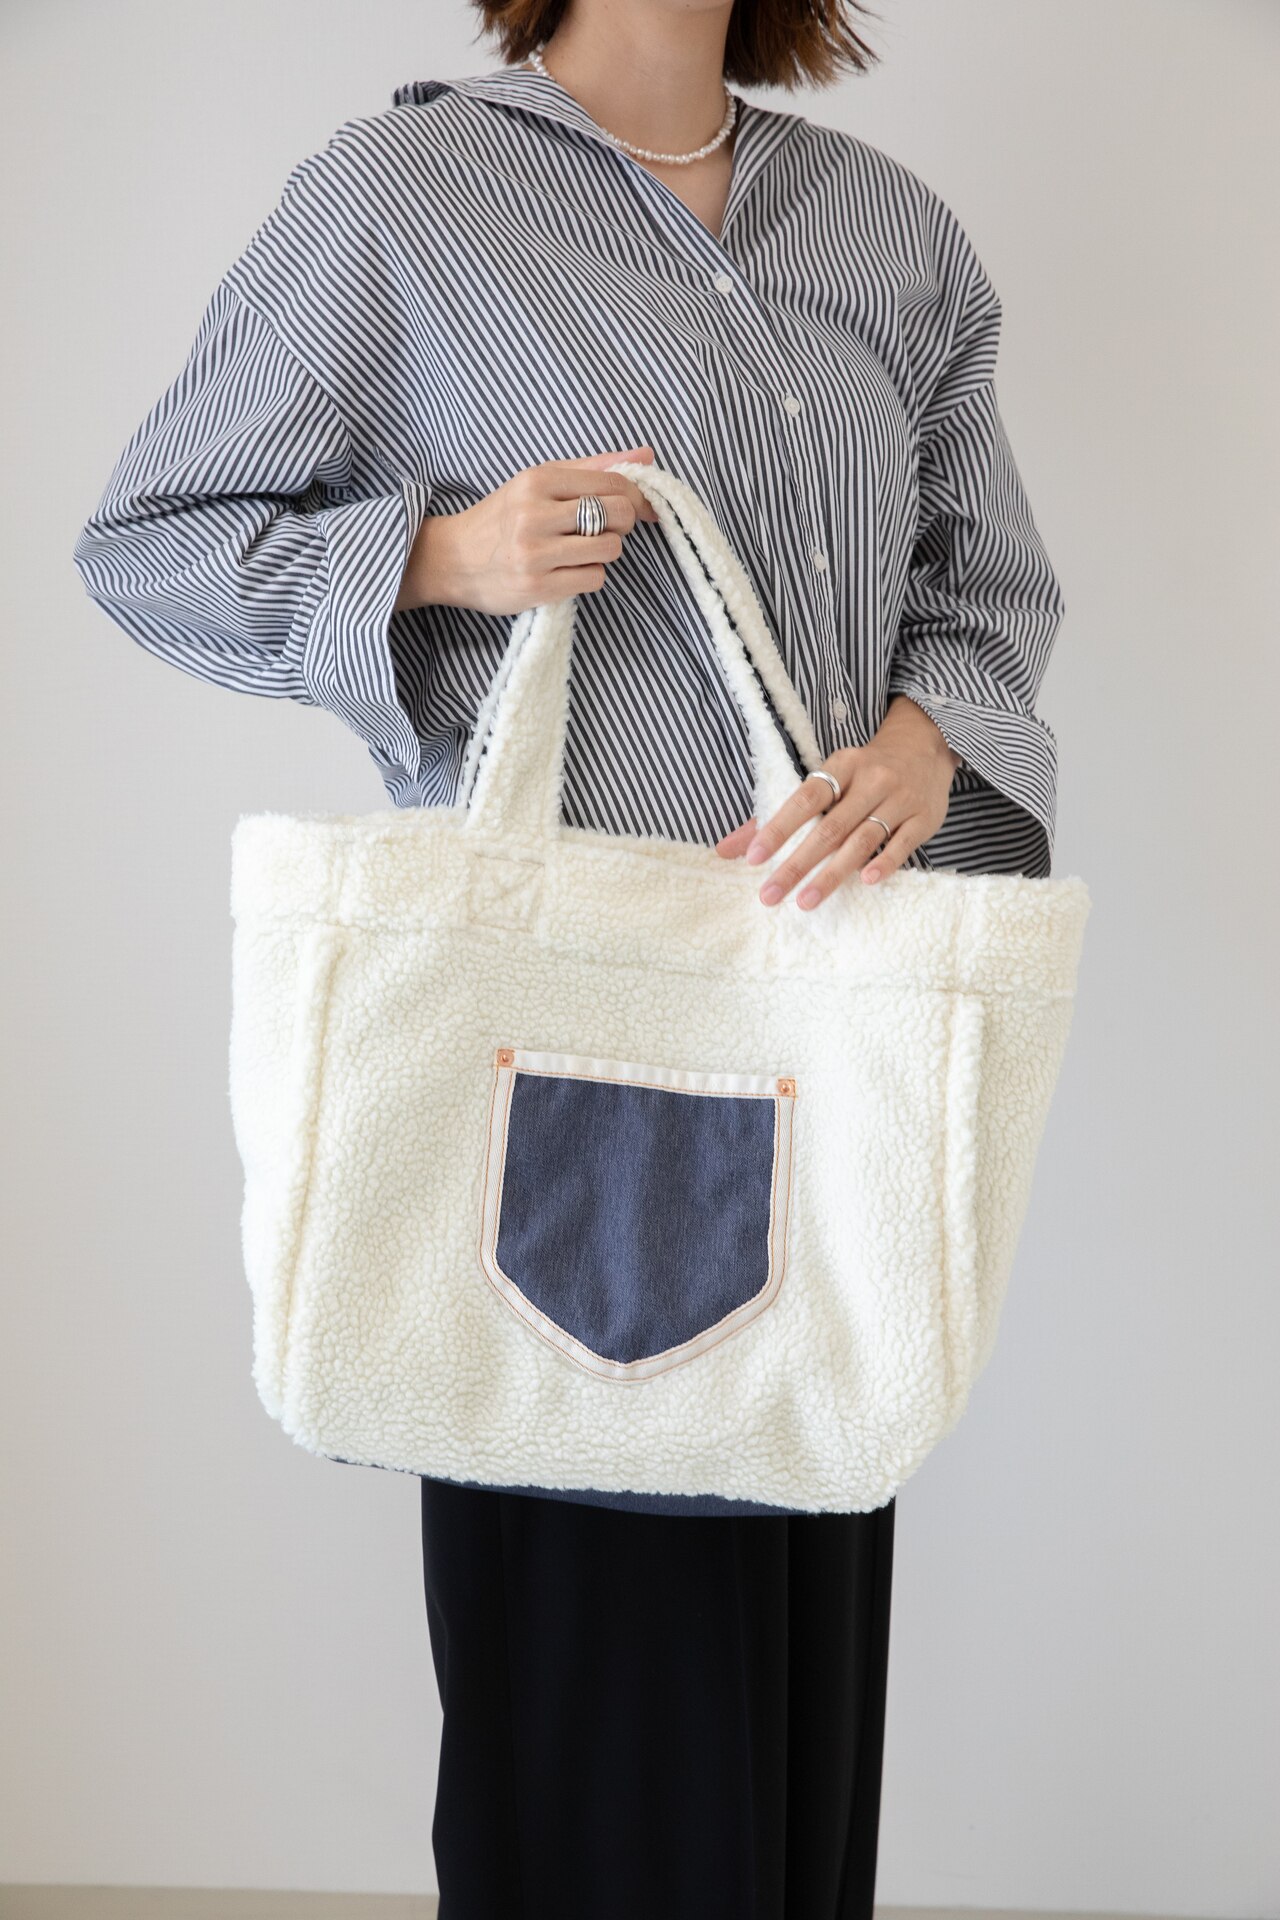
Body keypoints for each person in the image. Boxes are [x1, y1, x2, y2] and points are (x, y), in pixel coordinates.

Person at [72, 2, 1067, 1913]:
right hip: (556, 1075)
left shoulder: (897, 235)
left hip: (824, 1037)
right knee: (601, 1744)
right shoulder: (400, 195)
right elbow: (148, 544)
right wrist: (438, 555)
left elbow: (986, 588)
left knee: (797, 1707)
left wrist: (925, 744)